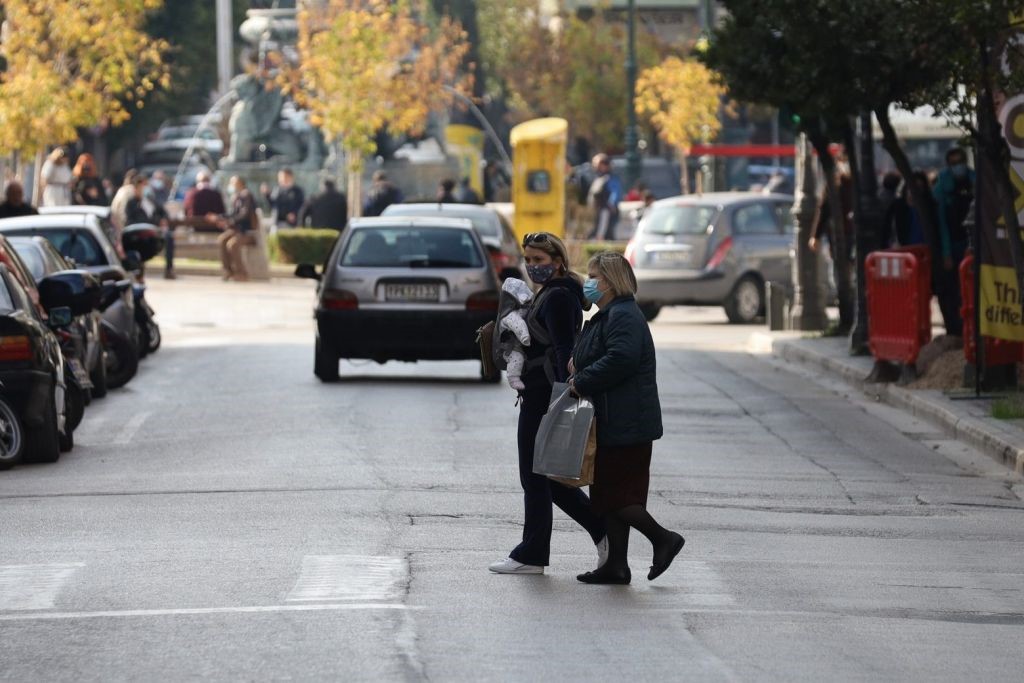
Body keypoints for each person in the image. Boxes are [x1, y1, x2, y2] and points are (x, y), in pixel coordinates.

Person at [489, 232, 607, 576]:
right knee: (546, 478)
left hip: (545, 396)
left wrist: (561, 395)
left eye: (539, 261)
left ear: (557, 262)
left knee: (535, 475)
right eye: (528, 260)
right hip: (543, 393)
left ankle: (533, 552)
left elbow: (562, 348)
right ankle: (598, 534)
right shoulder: (555, 293)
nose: (532, 267)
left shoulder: (557, 297)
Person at [570, 252, 683, 584]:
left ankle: (664, 539)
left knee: (615, 496)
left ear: (609, 281)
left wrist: (582, 380)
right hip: (614, 419)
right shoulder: (610, 315)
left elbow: (621, 359)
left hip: (627, 422)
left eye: (594, 277)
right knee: (608, 495)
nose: (588, 283)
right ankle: (616, 566)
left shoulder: (623, 316)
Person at [932, 148, 974, 337]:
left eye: (960, 162)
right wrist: (947, 252)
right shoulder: (942, 187)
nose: (958, 167)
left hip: (973, 244)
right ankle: (958, 330)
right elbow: (941, 223)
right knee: (955, 291)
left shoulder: (976, 181)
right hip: (954, 245)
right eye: (954, 163)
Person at [216, 175, 259, 281]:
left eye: (233, 183)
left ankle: (242, 273)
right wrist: (220, 218)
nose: (231, 185)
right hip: (237, 231)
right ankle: (228, 270)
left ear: (240, 183)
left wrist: (231, 221)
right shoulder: (237, 197)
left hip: (248, 233)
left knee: (232, 244)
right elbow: (232, 214)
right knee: (221, 240)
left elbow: (244, 215)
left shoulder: (247, 195)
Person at [587, 153, 623, 240]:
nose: (595, 167)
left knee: (602, 233)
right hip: (596, 210)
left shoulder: (610, 179)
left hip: (605, 210)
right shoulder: (598, 177)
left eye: (598, 165)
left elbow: (615, 192)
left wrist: (611, 204)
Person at [110, 170, 139, 241]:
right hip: (122, 227)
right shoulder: (131, 190)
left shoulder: (122, 189)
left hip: (114, 225)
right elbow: (123, 210)